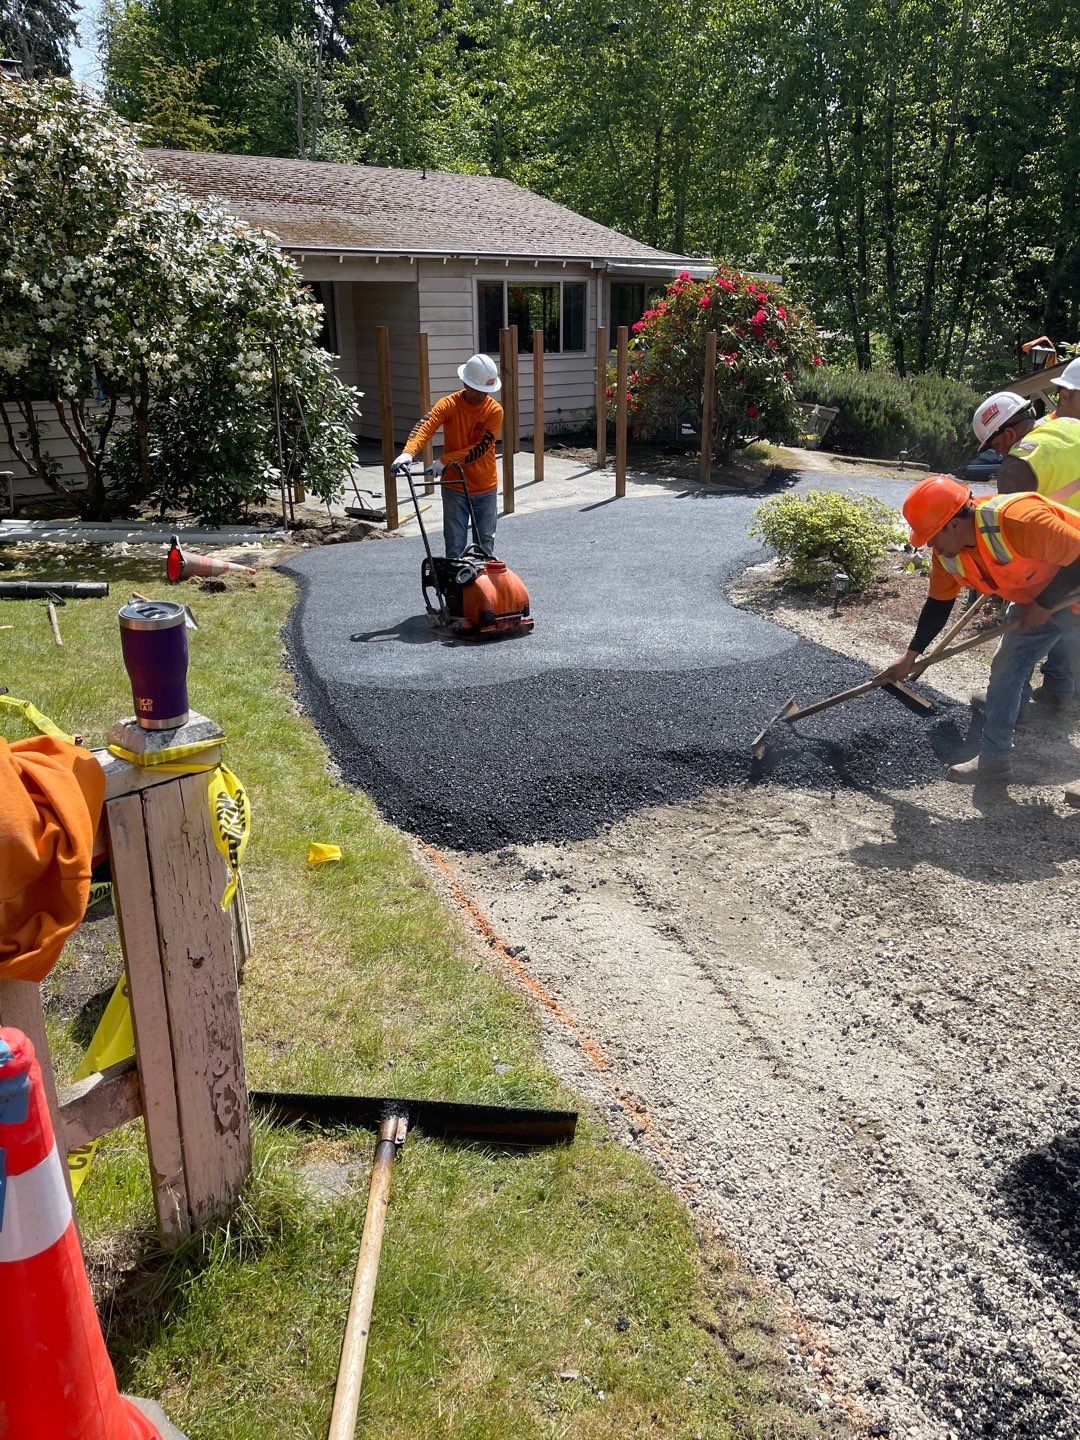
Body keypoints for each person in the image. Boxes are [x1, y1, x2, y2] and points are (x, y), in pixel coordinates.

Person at [879, 476, 1080, 782]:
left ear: (954, 524)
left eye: (933, 536)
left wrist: (1045, 603)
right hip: (1038, 597)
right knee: (1007, 666)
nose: (931, 544)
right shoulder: (947, 555)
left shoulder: (1019, 520)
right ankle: (994, 759)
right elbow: (938, 603)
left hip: (1069, 591)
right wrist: (911, 655)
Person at [971, 387, 1080, 705]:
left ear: (1006, 433)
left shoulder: (1017, 465)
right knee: (1069, 621)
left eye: (993, 444)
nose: (997, 452)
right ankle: (1059, 690)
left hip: (1057, 561)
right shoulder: (1067, 429)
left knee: (1020, 643)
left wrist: (1005, 582)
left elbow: (1011, 531)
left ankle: (1010, 706)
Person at [392, 353, 503, 559]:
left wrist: (444, 460)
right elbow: (426, 425)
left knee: (485, 545)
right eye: (478, 390)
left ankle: (481, 590)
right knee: (454, 545)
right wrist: (408, 452)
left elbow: (481, 448)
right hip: (455, 488)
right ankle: (456, 590)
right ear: (465, 382)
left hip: (485, 487)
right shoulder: (449, 404)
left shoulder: (494, 410)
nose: (482, 395)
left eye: (486, 391)